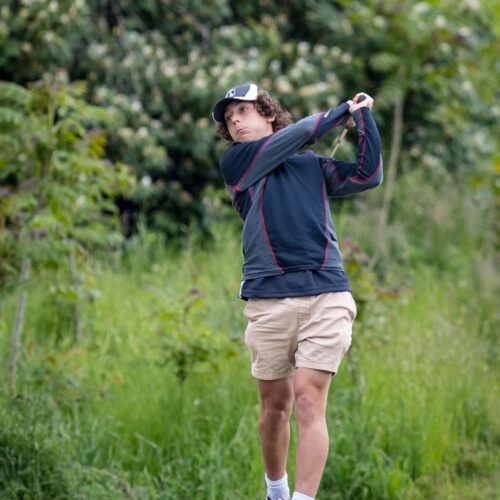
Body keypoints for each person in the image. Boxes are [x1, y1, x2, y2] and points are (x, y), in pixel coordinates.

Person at [212, 83, 383, 500]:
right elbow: (298, 135)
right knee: (275, 410)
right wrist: (337, 113)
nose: (234, 120)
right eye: (229, 117)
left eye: (243, 110)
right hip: (268, 301)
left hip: (327, 294)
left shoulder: (311, 167)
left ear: (268, 113)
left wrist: (362, 117)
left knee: (308, 401)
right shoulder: (238, 164)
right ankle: (277, 490)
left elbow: (368, 174)